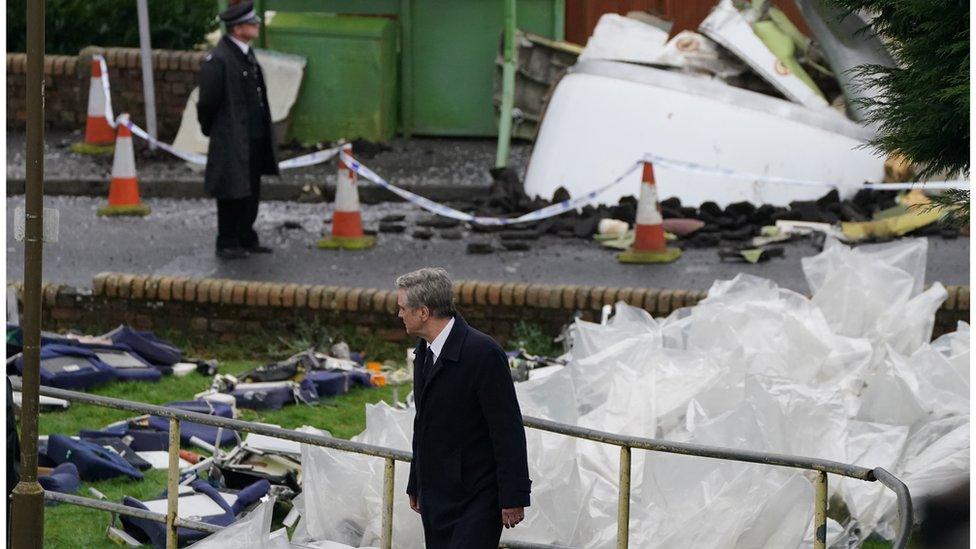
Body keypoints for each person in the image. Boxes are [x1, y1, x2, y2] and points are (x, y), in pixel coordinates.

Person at [396, 268, 531, 548]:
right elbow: (423, 423)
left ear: (423, 312)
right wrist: (415, 481)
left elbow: (507, 429)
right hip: (436, 494)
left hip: (477, 496)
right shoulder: (424, 351)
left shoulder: (483, 354)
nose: (399, 315)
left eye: (402, 308)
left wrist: (513, 497)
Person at [197, 1, 278, 260]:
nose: (256, 26)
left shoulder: (245, 54)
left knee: (250, 187)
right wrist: (214, 130)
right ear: (237, 28)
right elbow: (207, 101)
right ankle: (228, 239)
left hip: (252, 136)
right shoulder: (219, 59)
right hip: (231, 136)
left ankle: (245, 235)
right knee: (231, 188)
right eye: (251, 23)